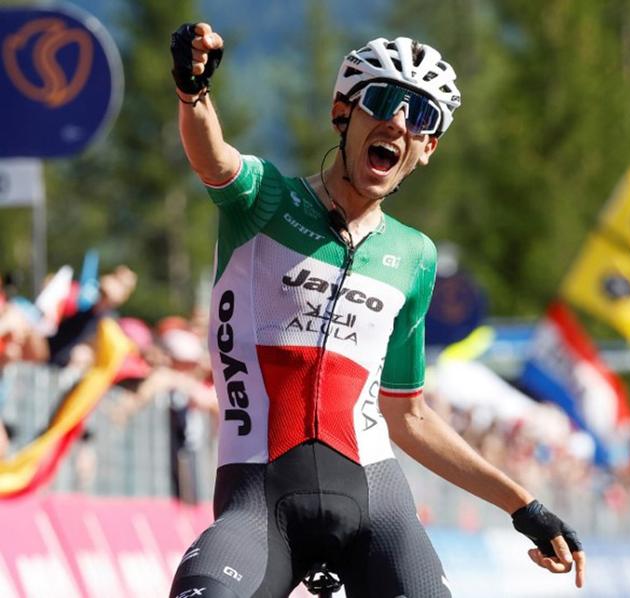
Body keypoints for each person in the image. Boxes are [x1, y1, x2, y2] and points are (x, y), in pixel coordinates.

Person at [168, 22, 586, 597]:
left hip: (376, 507)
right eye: (383, 102)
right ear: (343, 113)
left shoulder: (414, 255)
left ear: (428, 149)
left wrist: (524, 506)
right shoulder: (266, 199)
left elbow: (407, 414)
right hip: (257, 502)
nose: (398, 123)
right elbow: (213, 159)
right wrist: (194, 92)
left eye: (421, 117)